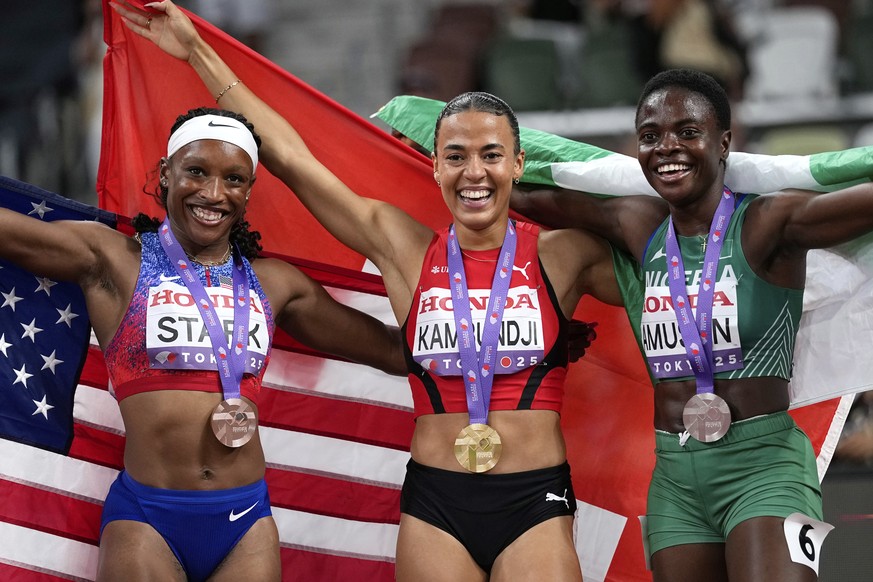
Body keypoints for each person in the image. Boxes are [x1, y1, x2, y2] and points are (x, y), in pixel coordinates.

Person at [110, 2, 624, 580]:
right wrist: (199, 52)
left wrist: (556, 196)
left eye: (491, 157)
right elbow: (291, 161)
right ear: (434, 167)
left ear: (517, 163)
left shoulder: (564, 255)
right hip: (437, 506)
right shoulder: (404, 248)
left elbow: (668, 262)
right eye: (455, 156)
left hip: (535, 501)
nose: (473, 173)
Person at [0, 104, 407, 581]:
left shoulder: (276, 284)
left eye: (234, 179)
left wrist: (466, 305)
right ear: (166, 173)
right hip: (148, 519)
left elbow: (394, 350)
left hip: (245, 522)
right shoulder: (113, 259)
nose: (214, 193)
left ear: (250, 190)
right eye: (196, 171)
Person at [510, 67, 873, 580]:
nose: (667, 148)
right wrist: (436, 159)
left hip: (766, 468)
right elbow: (522, 195)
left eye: (687, 131)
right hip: (676, 479)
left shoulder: (771, 222)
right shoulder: (638, 226)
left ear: (723, 142)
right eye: (650, 135)